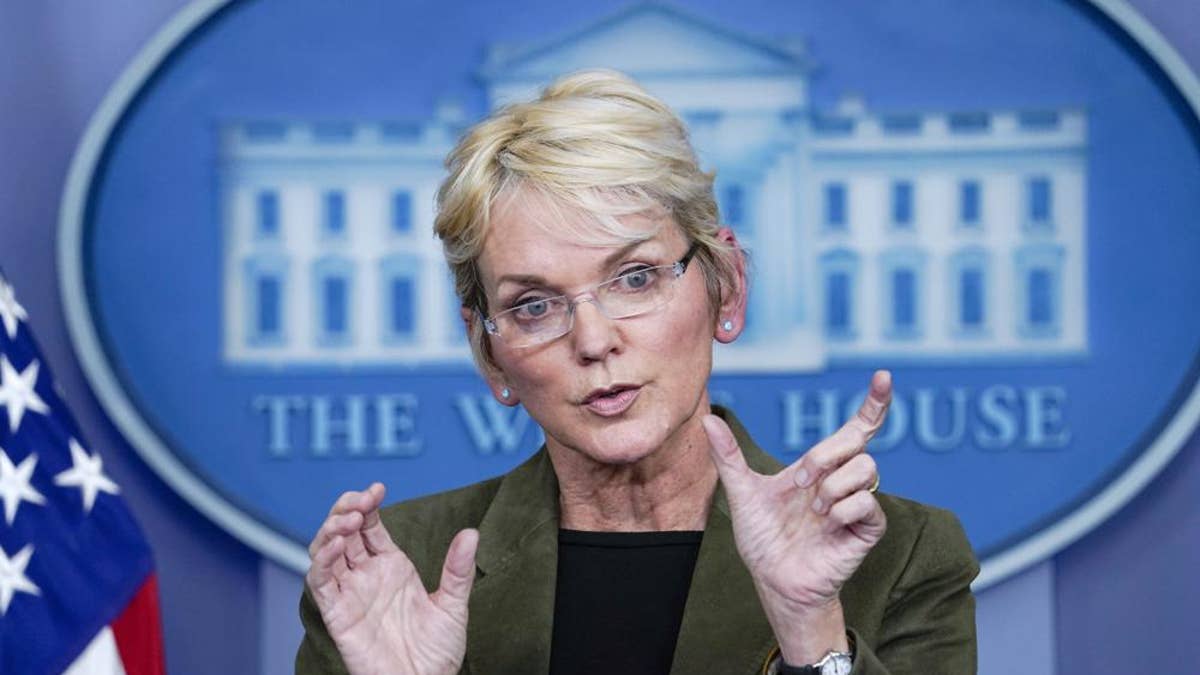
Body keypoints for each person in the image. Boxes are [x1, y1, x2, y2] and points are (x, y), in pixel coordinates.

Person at [296, 70, 978, 675]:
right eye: (534, 305)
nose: (593, 340)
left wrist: (811, 632)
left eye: (634, 277)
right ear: (488, 350)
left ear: (727, 288)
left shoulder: (901, 555)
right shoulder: (396, 569)